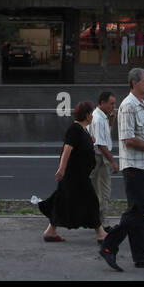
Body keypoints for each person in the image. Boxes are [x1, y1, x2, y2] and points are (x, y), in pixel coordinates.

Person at [99, 68, 144, 271]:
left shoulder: (141, 105)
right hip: (134, 166)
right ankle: (109, 247)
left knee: (138, 210)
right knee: (137, 210)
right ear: (134, 83)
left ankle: (141, 256)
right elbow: (128, 140)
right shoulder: (128, 106)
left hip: (142, 165)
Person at [39, 101, 103, 242]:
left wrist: (90, 141)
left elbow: (81, 147)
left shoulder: (82, 130)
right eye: (91, 113)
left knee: (62, 201)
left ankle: (50, 231)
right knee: (92, 201)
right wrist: (61, 169)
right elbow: (67, 149)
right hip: (75, 175)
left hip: (78, 175)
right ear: (87, 115)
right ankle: (101, 233)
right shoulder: (74, 129)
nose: (93, 116)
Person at [89, 91, 119, 233]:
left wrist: (112, 122)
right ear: (102, 103)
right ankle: (103, 225)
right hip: (100, 158)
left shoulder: (101, 117)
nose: (114, 106)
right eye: (111, 103)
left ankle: (100, 222)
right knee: (103, 192)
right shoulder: (99, 119)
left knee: (98, 192)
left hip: (98, 157)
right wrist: (113, 161)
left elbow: (105, 137)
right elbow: (101, 144)